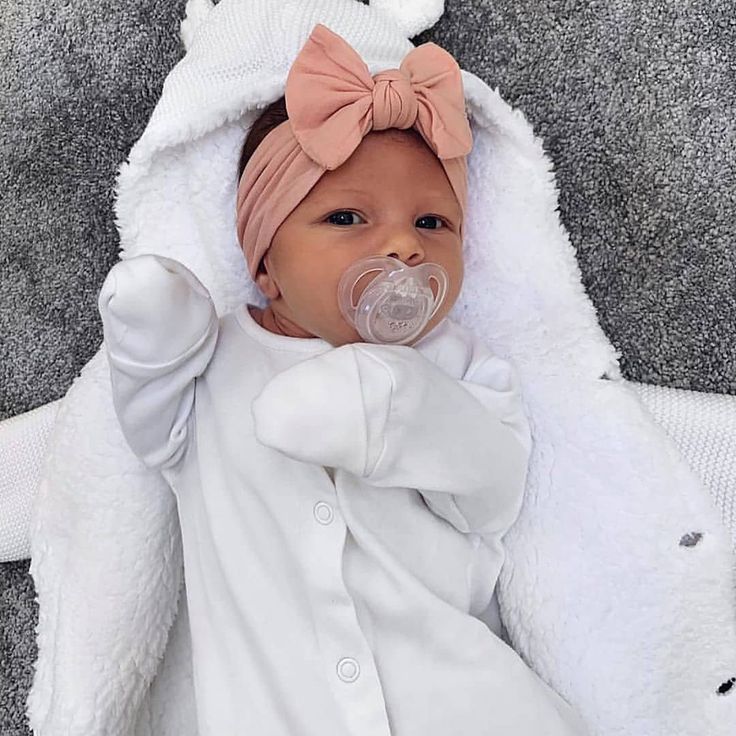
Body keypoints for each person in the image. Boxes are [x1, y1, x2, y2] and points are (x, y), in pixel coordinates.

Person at [98, 22, 587, 736]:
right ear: (265, 262)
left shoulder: (456, 362)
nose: (401, 245)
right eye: (346, 216)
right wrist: (154, 327)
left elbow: (492, 495)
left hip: (464, 701)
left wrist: (399, 405)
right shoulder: (213, 363)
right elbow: (146, 432)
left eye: (432, 221)